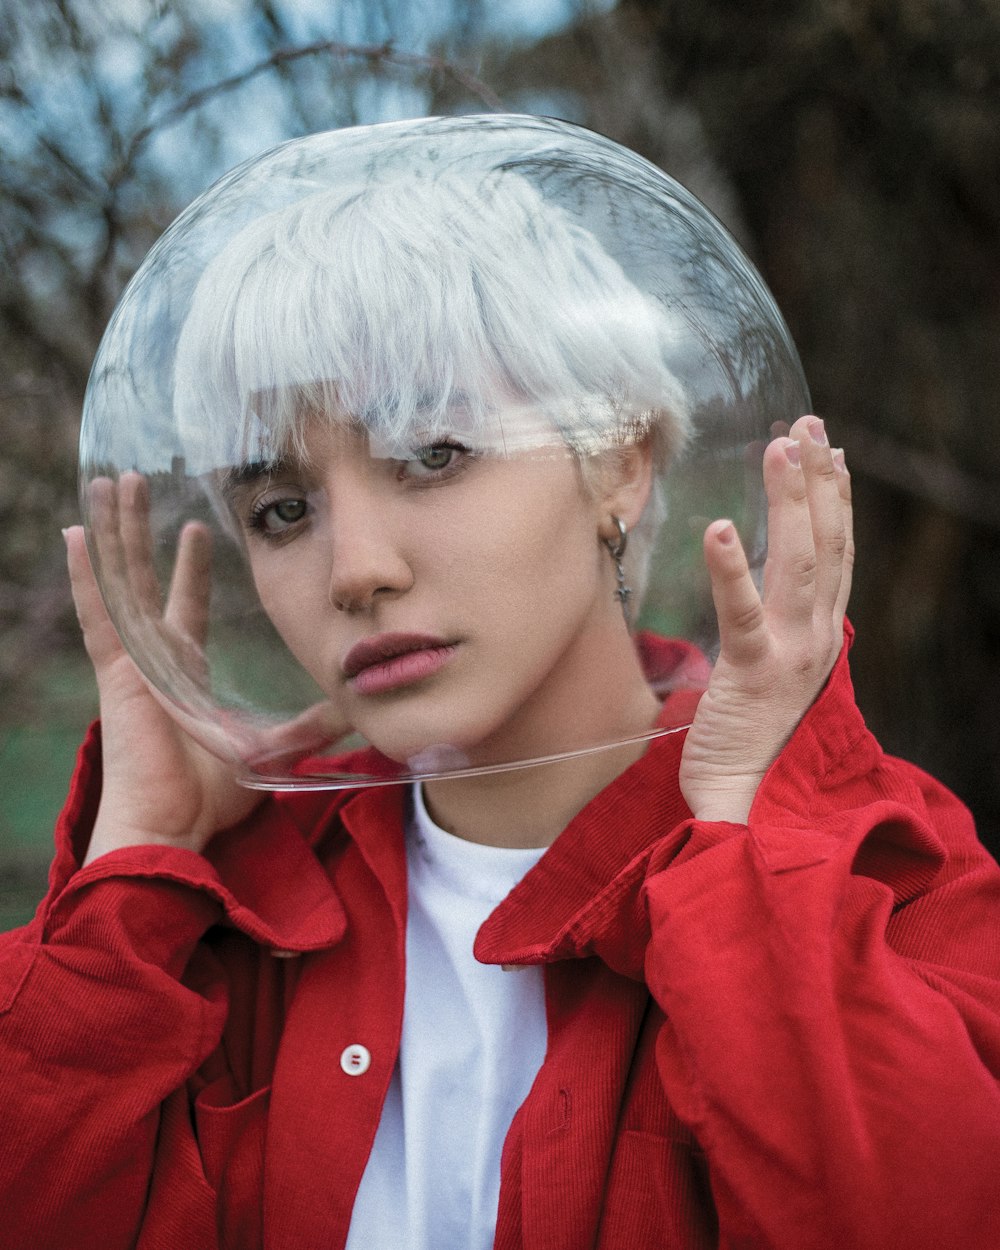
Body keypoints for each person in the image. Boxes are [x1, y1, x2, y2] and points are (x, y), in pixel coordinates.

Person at [1, 138, 999, 1250]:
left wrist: (736, 853)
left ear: (616, 458)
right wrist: (137, 859)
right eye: (282, 508)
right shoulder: (225, 918)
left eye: (430, 452)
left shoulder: (882, 862)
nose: (355, 568)